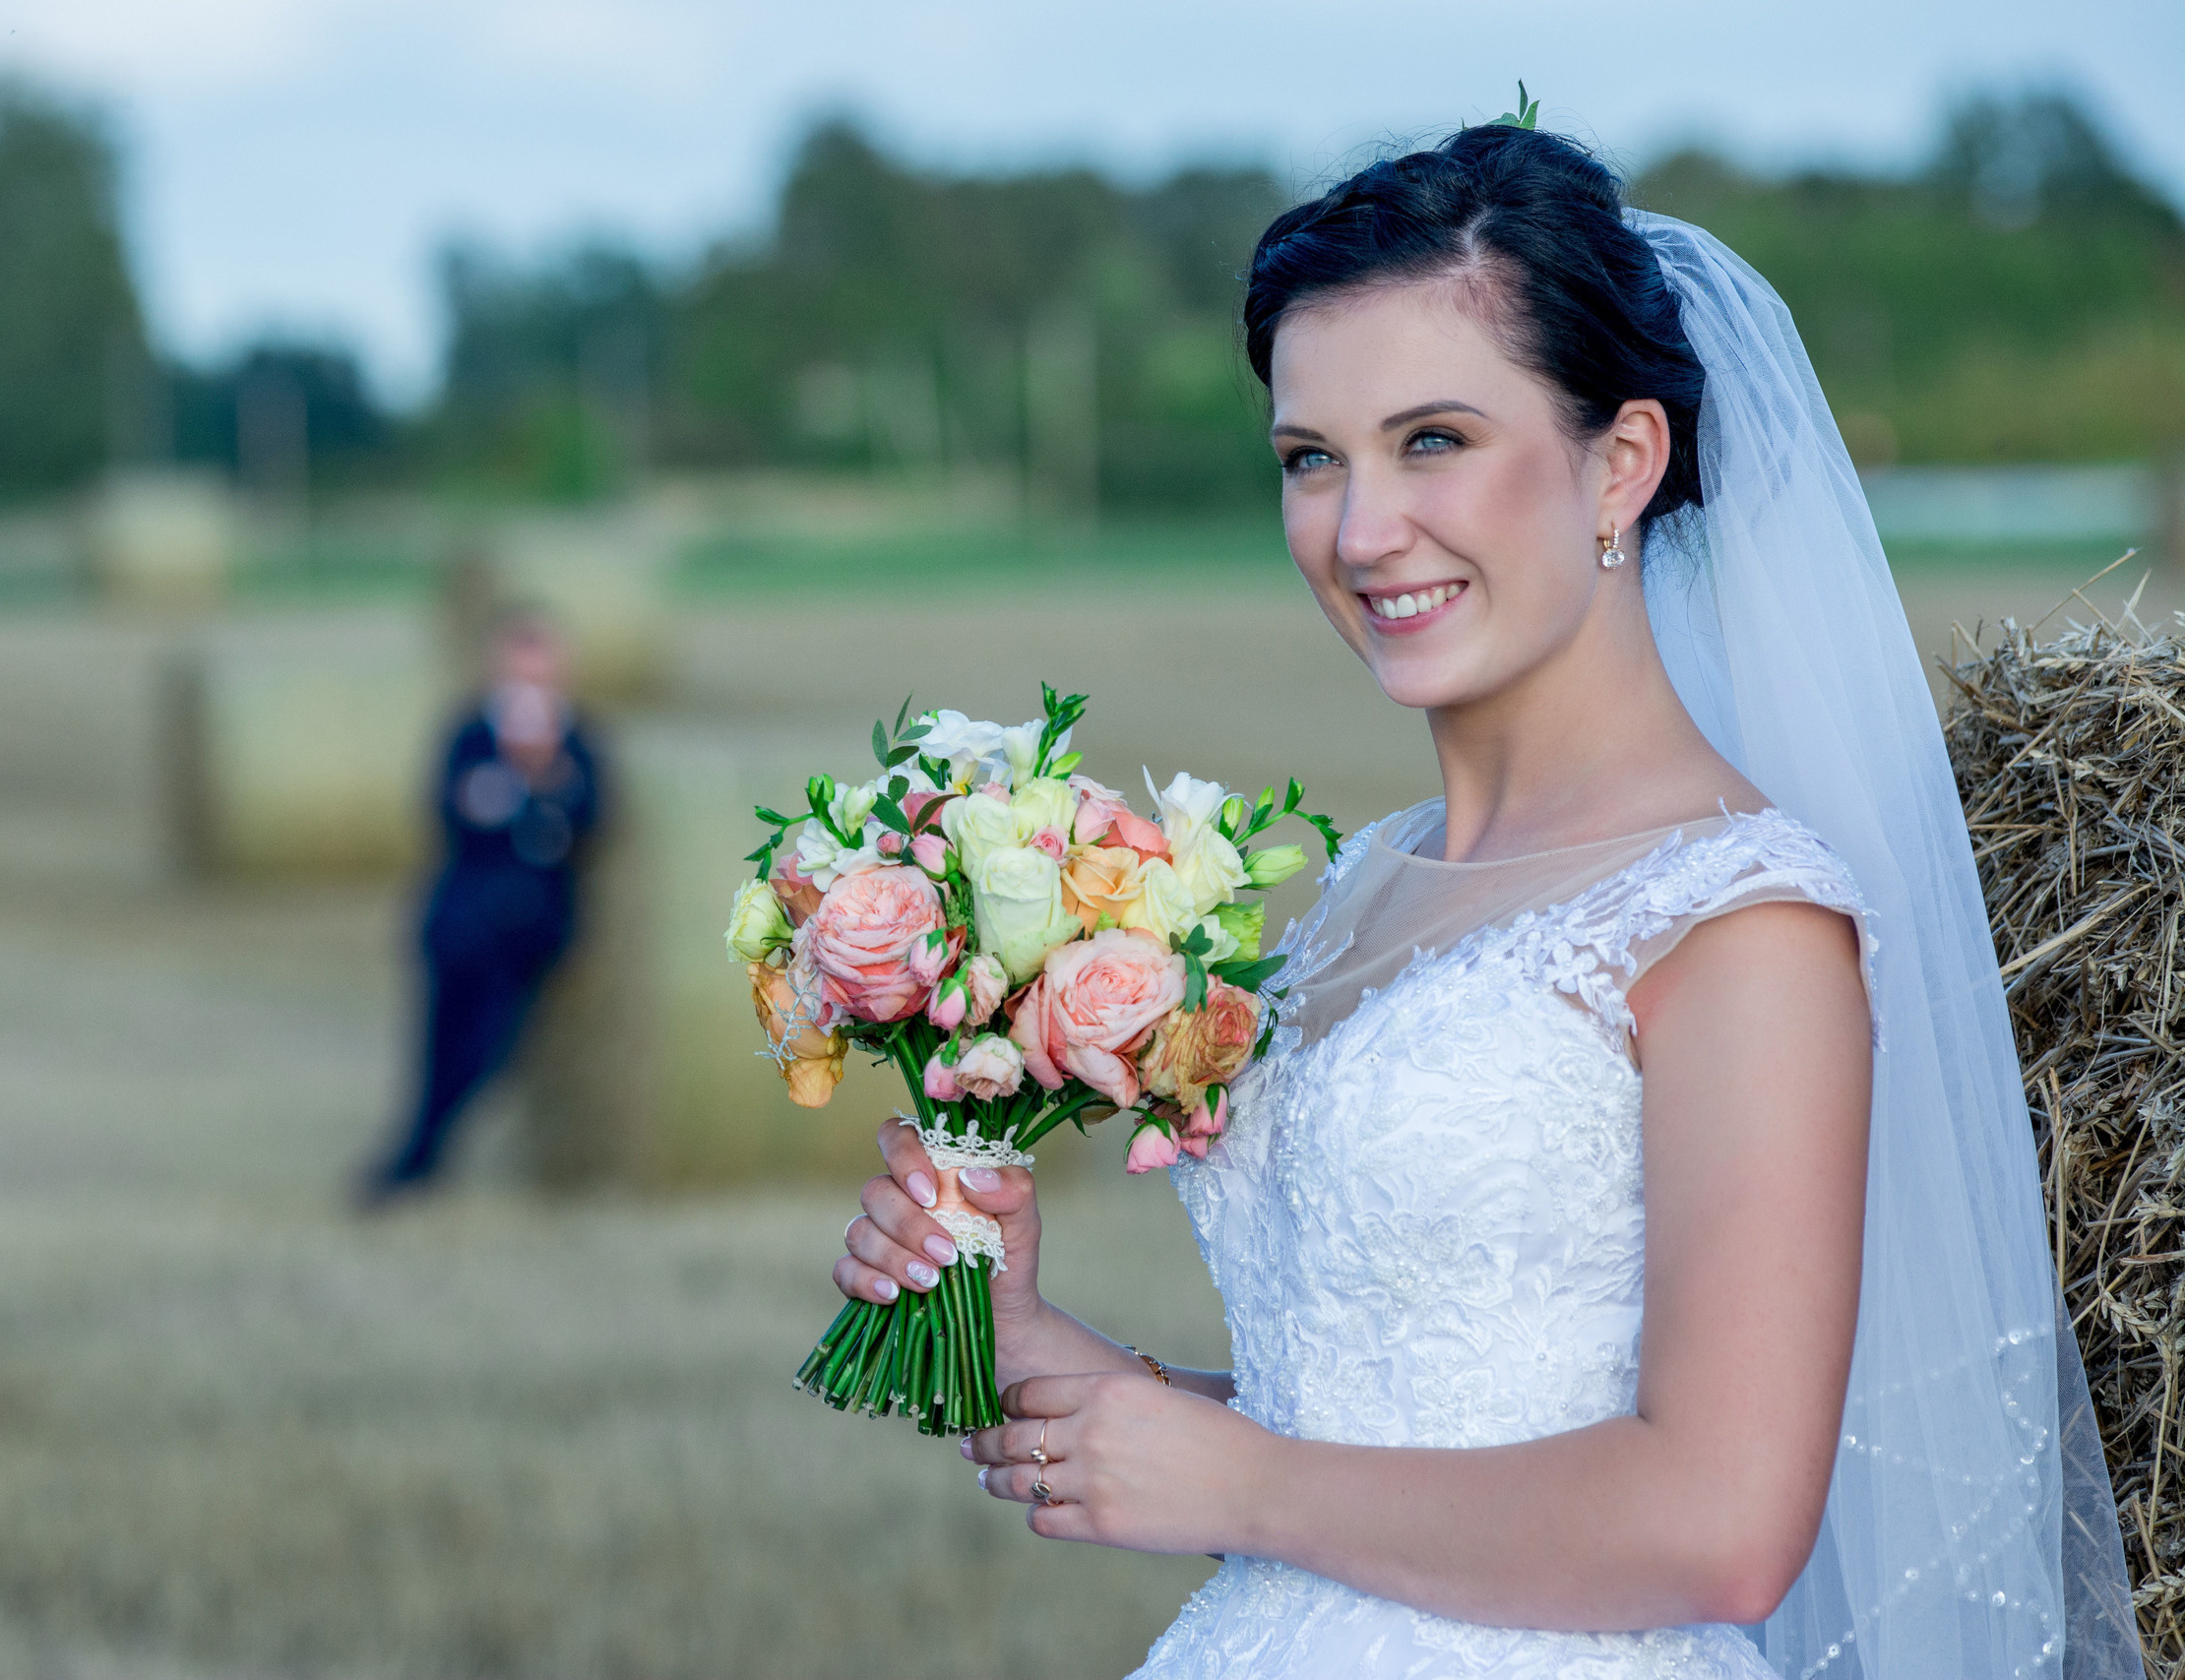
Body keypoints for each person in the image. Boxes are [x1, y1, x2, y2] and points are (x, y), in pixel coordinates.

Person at [832, 120, 2141, 1678]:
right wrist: (1041, 1349)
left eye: (1433, 439)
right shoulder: (1370, 880)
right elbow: (1387, 1417)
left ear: (1624, 461)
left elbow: (1722, 1518)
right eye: (1311, 458)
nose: (1360, 530)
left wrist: (1236, 1481)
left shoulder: (1738, 917)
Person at [360, 608, 600, 1205]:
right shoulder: (469, 733)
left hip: (528, 933)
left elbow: (591, 817)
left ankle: (418, 1155)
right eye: (517, 675)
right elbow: (449, 811)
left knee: (489, 1047)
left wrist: (540, 779)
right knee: (439, 1043)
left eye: (539, 675)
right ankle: (418, 1152)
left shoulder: (579, 743)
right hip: (460, 926)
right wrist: (517, 784)